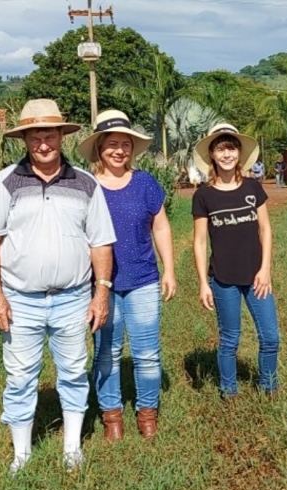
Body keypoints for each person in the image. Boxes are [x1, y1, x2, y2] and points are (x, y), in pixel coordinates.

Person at [0, 99, 116, 473]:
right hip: (20, 299)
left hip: (73, 297)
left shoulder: (85, 183)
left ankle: (71, 448)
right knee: (19, 376)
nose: (44, 144)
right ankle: (22, 454)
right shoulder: (5, 182)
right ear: (25, 140)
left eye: (50, 135)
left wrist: (101, 292)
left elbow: (100, 241)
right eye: (36, 137)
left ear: (62, 137)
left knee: (73, 372)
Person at [78, 109, 177, 440]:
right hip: (101, 286)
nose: (119, 151)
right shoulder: (85, 186)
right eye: (112, 144)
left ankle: (147, 412)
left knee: (147, 354)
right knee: (106, 352)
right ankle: (111, 416)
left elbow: (160, 226)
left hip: (143, 281)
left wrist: (170, 270)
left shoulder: (145, 182)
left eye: (125, 144)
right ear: (99, 149)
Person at [191, 123, 279, 398]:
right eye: (220, 148)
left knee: (271, 337)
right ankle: (228, 391)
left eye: (231, 148)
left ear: (239, 153)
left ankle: (269, 386)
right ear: (212, 155)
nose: (226, 154)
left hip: (256, 277)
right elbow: (200, 241)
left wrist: (265, 269)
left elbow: (265, 229)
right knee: (230, 339)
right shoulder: (203, 195)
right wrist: (204, 283)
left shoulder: (253, 188)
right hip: (223, 279)